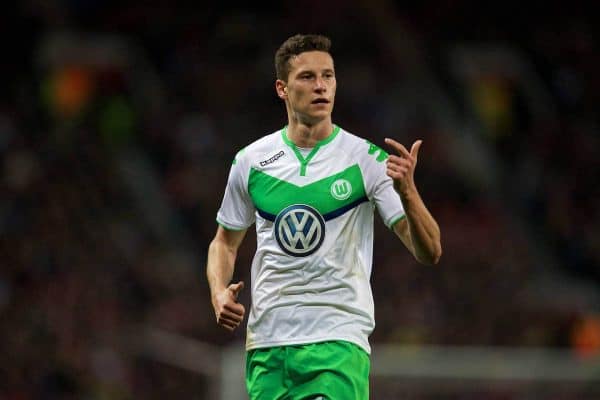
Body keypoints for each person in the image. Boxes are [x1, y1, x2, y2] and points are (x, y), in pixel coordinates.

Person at [207, 33, 442, 399]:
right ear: (282, 89)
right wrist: (219, 292)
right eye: (308, 77)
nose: (321, 86)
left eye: (328, 76)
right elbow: (224, 242)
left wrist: (408, 193)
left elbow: (429, 251)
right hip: (268, 344)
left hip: (337, 341)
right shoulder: (250, 162)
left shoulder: (368, 161)